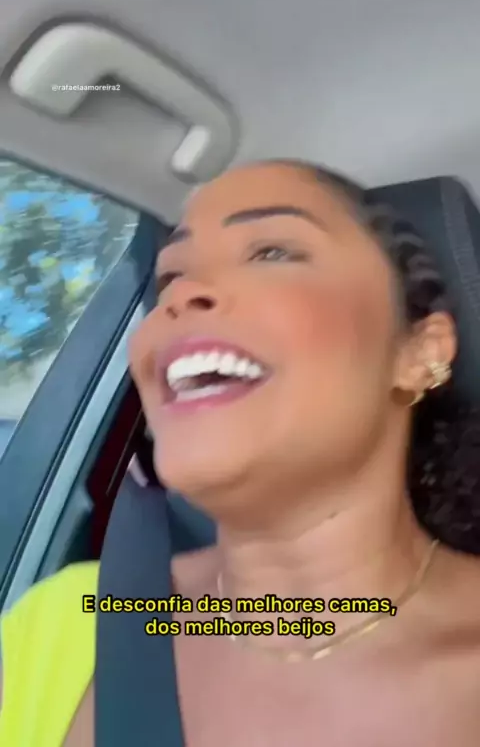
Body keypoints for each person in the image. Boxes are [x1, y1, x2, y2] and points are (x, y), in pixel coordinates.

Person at [1, 159, 480, 746]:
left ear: (420, 352)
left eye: (271, 252)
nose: (181, 296)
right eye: (170, 278)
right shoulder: (66, 621)